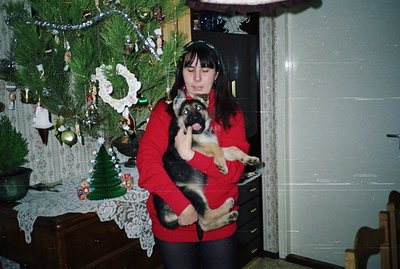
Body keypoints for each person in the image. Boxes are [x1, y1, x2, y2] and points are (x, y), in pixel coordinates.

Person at [136, 40, 250, 269]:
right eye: (190, 69)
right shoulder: (164, 110)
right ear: (181, 73)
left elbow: (234, 172)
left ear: (216, 74)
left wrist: (190, 155)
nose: (197, 78)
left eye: (205, 70)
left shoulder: (230, 114)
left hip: (218, 224)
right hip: (174, 222)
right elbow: (147, 163)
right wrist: (182, 205)